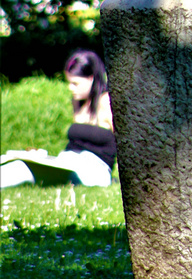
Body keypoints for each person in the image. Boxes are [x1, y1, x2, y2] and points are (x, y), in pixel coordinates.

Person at [0, 50, 116, 188]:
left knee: (27, 169)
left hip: (93, 169)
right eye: (69, 82)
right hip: (68, 160)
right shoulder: (78, 102)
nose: (70, 88)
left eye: (75, 83)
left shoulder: (106, 102)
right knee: (22, 164)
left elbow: (125, 143)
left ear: (91, 79)